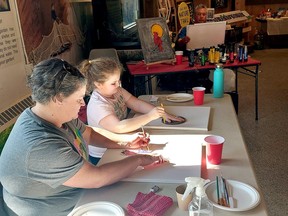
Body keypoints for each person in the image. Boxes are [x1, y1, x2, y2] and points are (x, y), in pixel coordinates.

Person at [0, 58, 165, 216]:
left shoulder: (55, 115)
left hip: (78, 197)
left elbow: (89, 134)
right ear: (58, 98)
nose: (83, 104)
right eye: (79, 99)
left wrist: (126, 143)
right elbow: (97, 178)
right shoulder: (41, 145)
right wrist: (139, 160)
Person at [78, 57, 185, 164]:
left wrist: (161, 113)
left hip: (120, 143)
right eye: (113, 83)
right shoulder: (98, 105)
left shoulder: (117, 90)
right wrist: (150, 116)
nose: (118, 85)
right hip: (103, 154)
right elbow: (119, 127)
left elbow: (136, 103)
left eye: (119, 80)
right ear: (98, 84)